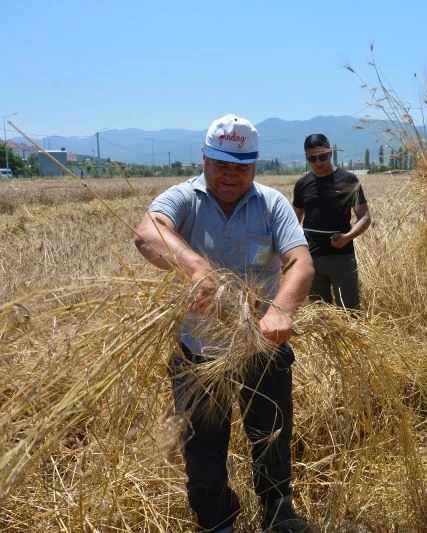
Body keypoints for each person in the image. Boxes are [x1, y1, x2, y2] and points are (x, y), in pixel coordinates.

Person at [133, 113, 315, 533]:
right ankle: (218, 522)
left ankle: (277, 510)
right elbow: (147, 232)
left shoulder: (272, 204)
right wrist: (195, 267)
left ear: (255, 165)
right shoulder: (183, 199)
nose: (231, 176)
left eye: (242, 167)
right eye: (221, 165)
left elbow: (300, 263)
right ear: (204, 158)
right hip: (198, 352)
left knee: (271, 434)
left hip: (261, 346)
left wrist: (281, 311)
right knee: (203, 449)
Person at [292, 134, 371, 310]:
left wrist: (347, 237)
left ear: (330, 152)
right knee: (321, 316)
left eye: (323, 156)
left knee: (350, 312)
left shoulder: (348, 180)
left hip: (342, 259)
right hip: (312, 260)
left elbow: (365, 217)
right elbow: (293, 221)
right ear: (306, 157)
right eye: (312, 158)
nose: (318, 162)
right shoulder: (302, 185)